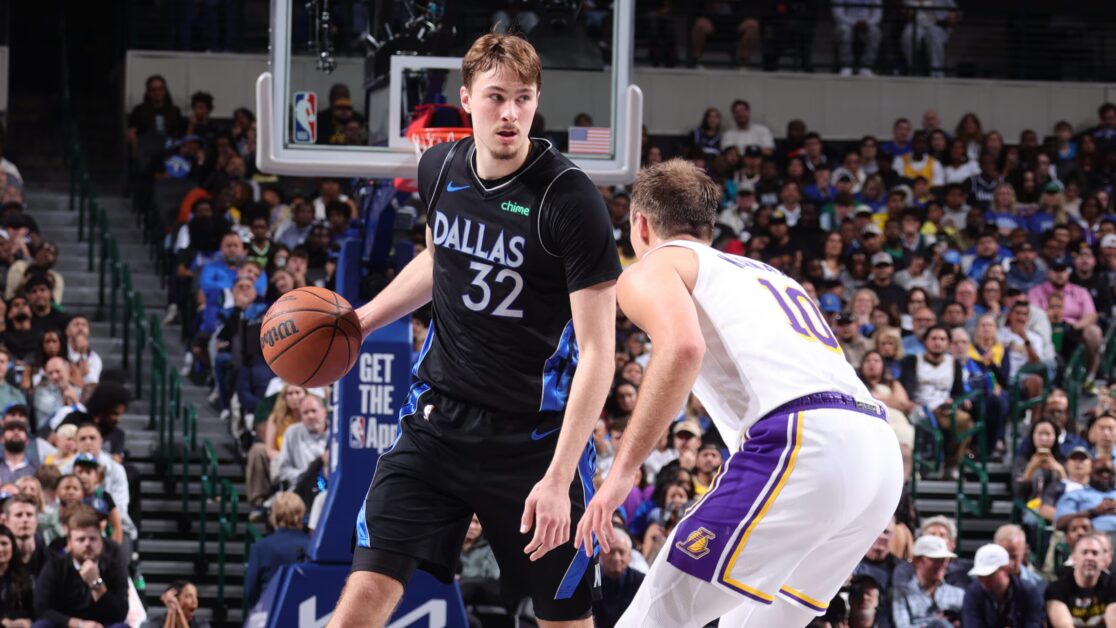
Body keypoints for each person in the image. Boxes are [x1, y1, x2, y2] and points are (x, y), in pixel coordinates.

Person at [331, 33, 621, 628]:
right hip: (438, 422)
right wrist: (363, 319)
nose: (509, 113)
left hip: (534, 441)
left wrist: (558, 476)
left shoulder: (570, 199)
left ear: (537, 101)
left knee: (565, 621)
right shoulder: (438, 167)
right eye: (495, 97)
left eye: (523, 98)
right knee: (360, 599)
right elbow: (440, 258)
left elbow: (598, 352)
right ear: (466, 99)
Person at [574, 159, 902, 627]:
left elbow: (683, 348)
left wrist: (622, 471)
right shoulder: (769, 275)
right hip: (878, 453)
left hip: (805, 440)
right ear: (708, 226)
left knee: (658, 615)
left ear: (640, 224)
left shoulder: (655, 266)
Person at [33, 510, 129, 627]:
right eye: (81, 539)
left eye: (93, 539)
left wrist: (96, 583)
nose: (87, 544)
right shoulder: (55, 566)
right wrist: (78, 624)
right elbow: (42, 609)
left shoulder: (113, 566)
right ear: (70, 543)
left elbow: (121, 613)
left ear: (102, 542)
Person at [245, 492, 310, 610]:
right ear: (301, 515)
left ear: (274, 516)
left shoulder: (260, 548)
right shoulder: (312, 546)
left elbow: (251, 591)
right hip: (305, 614)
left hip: (269, 612)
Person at [890, 535, 965, 627]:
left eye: (945, 560)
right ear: (917, 561)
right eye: (937, 560)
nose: (943, 565)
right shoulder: (902, 594)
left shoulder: (958, 594)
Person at [961, 543, 1043, 627]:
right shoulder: (973, 593)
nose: (984, 580)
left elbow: (1034, 624)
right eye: (980, 576)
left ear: (1006, 570)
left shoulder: (1028, 592)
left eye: (990, 575)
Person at [1044, 534, 1116, 626]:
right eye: (1084, 552)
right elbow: (1063, 625)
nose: (1089, 557)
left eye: (1095, 553)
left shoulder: (1112, 584)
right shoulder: (1056, 588)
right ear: (1074, 557)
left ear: (1103, 559)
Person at [592, 528, 644, 628]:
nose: (616, 558)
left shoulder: (641, 581)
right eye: (611, 552)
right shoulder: (591, 581)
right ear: (600, 554)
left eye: (621, 552)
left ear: (630, 556)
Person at [832, 0, 882, 76]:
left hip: (867, 24)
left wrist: (867, 23)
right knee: (844, 30)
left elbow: (877, 14)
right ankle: (846, 65)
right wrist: (854, 22)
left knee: (875, 32)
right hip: (847, 23)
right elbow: (838, 14)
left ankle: (866, 66)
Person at [0, 523, 33, 626]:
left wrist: (28, 621)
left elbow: (33, 609)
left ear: (12, 546)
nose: (1, 549)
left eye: (4, 543)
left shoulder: (25, 576)